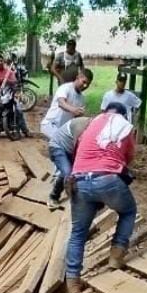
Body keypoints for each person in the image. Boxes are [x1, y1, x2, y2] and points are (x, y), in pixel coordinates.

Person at [63, 100, 137, 293]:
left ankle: (72, 282)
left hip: (78, 180)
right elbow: (128, 159)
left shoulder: (91, 123)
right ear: (124, 115)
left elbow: (78, 150)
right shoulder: (125, 127)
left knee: (78, 233)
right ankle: (116, 257)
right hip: (108, 179)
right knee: (128, 211)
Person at [41, 68, 93, 204]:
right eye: (84, 82)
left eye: (88, 84)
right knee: (64, 162)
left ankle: (59, 179)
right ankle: (57, 186)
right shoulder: (65, 88)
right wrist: (73, 110)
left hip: (66, 132)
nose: (85, 86)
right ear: (78, 77)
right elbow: (61, 103)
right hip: (51, 125)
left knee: (68, 163)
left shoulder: (82, 98)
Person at [45, 114, 91, 208]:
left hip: (70, 150)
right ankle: (53, 197)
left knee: (70, 171)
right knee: (68, 172)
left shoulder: (93, 128)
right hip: (57, 146)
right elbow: (80, 153)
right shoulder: (81, 128)